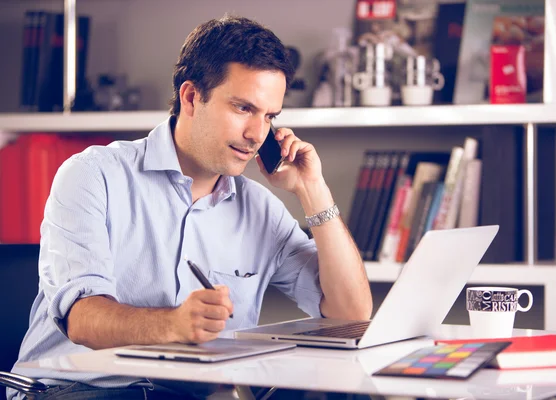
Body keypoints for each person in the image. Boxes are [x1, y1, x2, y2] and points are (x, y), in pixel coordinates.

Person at [9, 15, 372, 400]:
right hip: (77, 390)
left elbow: (350, 314)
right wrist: (175, 325)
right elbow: (82, 318)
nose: (257, 134)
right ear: (191, 97)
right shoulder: (92, 175)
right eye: (243, 108)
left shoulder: (260, 208)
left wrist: (313, 190)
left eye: (269, 116)